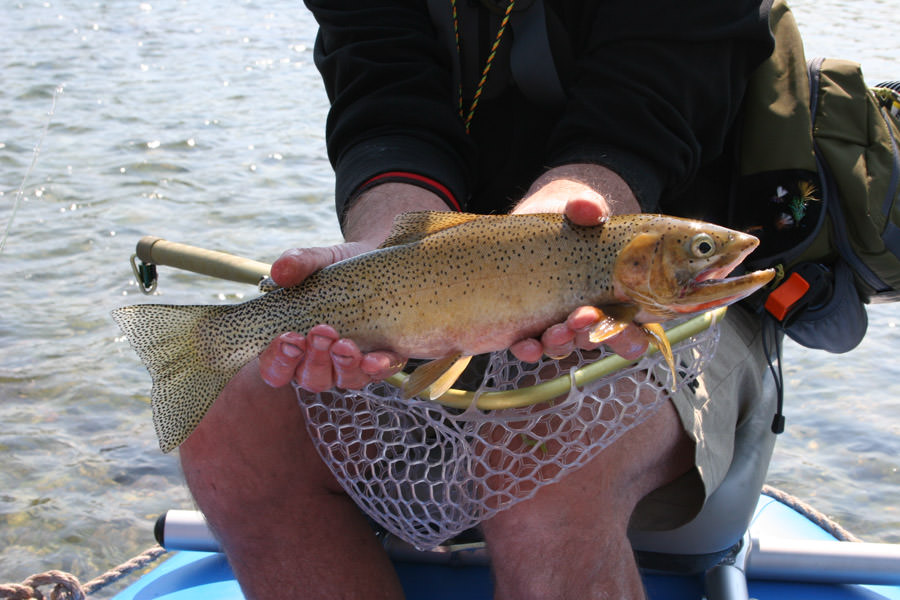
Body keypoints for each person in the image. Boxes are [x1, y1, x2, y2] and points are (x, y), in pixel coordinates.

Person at [179, 1, 778, 598]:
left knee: (541, 455)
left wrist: (557, 224)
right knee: (230, 429)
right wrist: (388, 239)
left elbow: (651, 106)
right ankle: (195, 348)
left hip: (697, 318)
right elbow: (385, 98)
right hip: (434, 284)